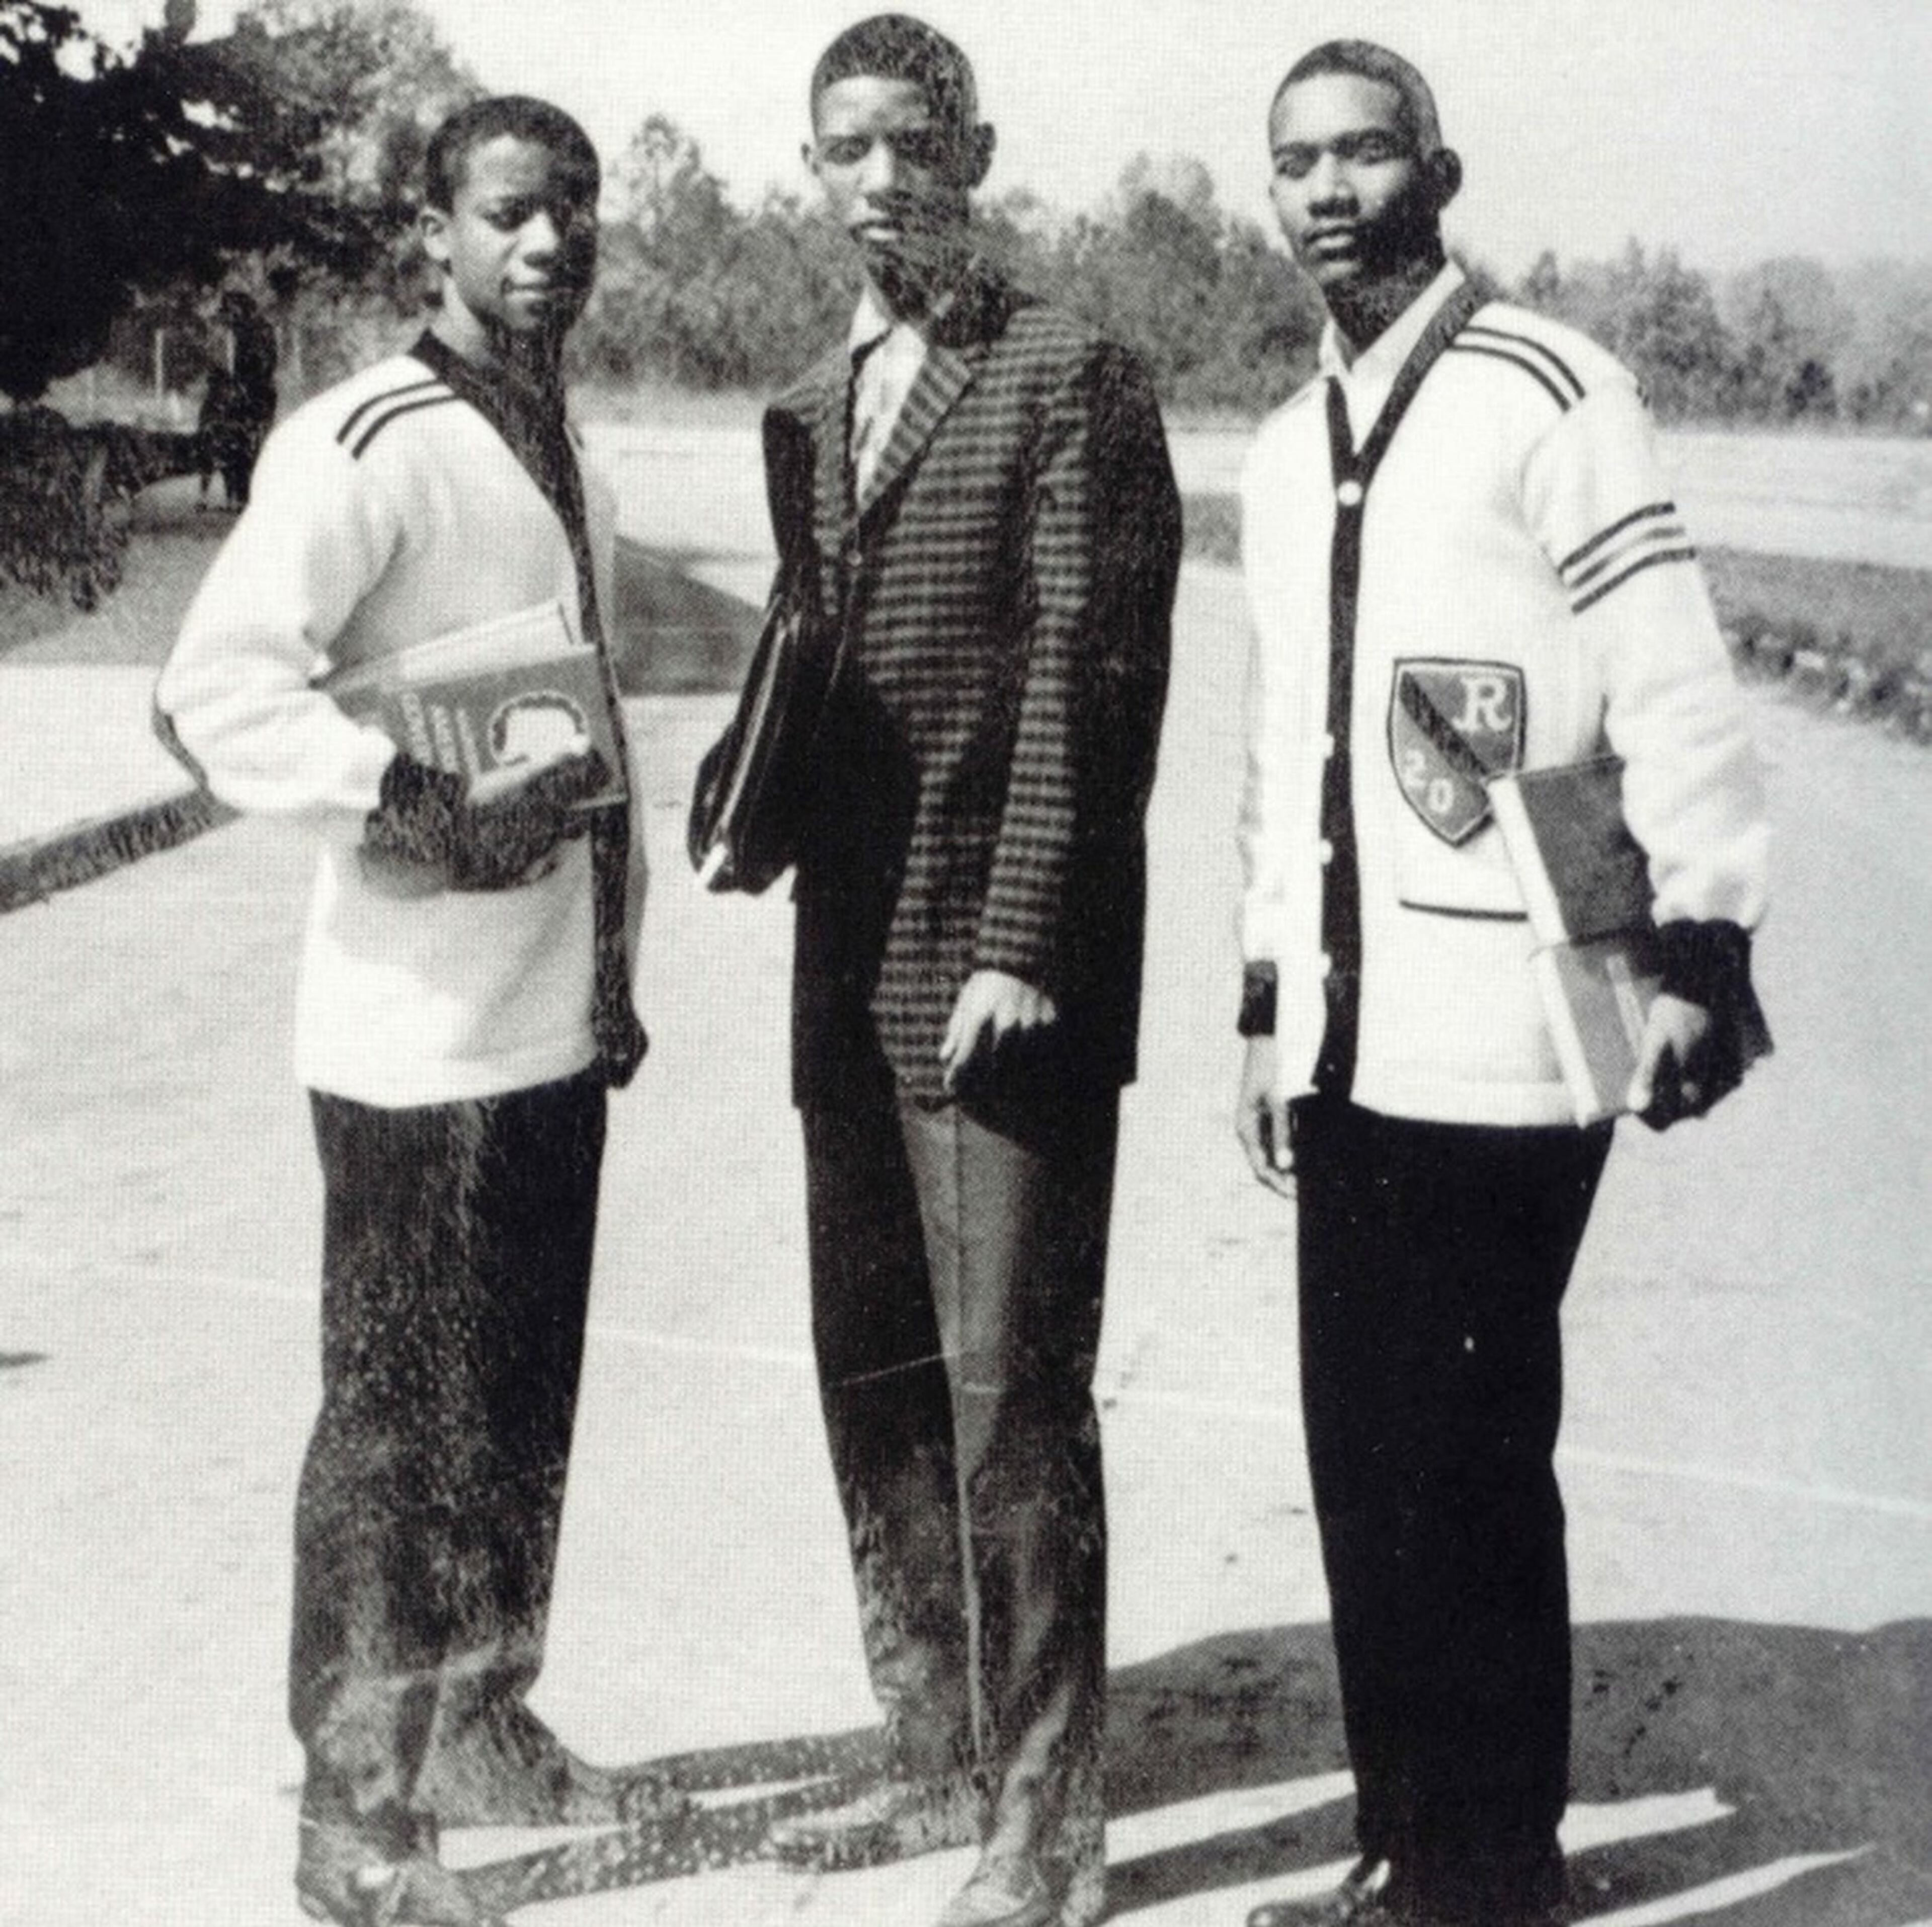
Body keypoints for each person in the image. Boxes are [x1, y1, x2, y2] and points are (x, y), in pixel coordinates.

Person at [1232, 42, 1770, 1927]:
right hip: (1349, 1039)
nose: (1327, 191)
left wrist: (1704, 940)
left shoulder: (1554, 388)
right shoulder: (1282, 447)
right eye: (1295, 162)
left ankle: (1494, 1870)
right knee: (1361, 1462)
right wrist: (1264, 1002)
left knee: (1466, 1456)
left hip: (1511, 1032)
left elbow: (1673, 681)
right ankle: (1411, 1854)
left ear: (1438, 173)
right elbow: (1281, 754)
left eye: (1364, 153)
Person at [155, 96, 665, 1927]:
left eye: (574, 212)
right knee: (397, 1444)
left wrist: (612, 974)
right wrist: (414, 801)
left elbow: (588, 733)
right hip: (413, 1043)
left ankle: (482, 1729)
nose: (548, 244)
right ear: (432, 235)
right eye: (510, 212)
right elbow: (213, 695)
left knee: (518, 1417)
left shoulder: (562, 442)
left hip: (549, 1028)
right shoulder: (364, 436)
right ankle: (356, 1828)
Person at [750, 17, 1180, 1927]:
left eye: (914, 143)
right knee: (876, 1385)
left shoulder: (1071, 372)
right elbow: (818, 659)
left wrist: (1024, 941)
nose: (880, 180)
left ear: (977, 153)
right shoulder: (809, 405)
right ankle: (929, 1748)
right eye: (845, 147)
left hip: (1002, 978)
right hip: (844, 981)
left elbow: (1092, 676)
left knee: (1015, 1407)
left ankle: (1047, 1826)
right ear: (814, 167)